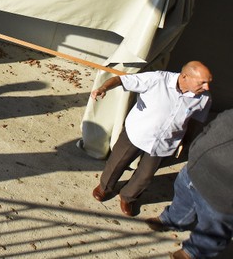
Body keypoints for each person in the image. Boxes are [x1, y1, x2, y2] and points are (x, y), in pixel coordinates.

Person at [90, 61, 213, 216]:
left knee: (145, 176)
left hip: (165, 143)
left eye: (208, 83)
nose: (207, 87)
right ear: (185, 76)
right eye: (202, 82)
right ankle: (104, 187)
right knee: (117, 162)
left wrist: (187, 140)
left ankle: (128, 197)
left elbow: (195, 120)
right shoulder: (157, 79)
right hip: (137, 133)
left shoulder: (204, 98)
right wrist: (103, 88)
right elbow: (122, 79)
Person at [144, 109, 233, 259]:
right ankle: (173, 220)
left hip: (223, 196)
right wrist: (197, 149)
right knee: (182, 200)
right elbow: (213, 126)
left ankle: (193, 252)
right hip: (194, 172)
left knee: (212, 230)